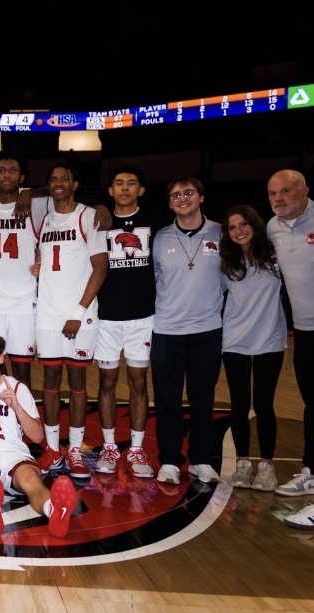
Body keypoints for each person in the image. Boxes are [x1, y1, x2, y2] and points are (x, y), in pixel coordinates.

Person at [0, 332, 79, 538]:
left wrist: (17, 407)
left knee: (31, 480)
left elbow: (36, 437)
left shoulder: (17, 388)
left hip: (14, 453)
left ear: (1, 358)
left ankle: (54, 510)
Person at [34, 162, 108, 481]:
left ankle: (75, 450)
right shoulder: (46, 218)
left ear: (75, 183)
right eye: (53, 179)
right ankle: (52, 449)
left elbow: (100, 268)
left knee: (77, 385)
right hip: (48, 314)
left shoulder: (88, 216)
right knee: (50, 384)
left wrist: (77, 313)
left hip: (80, 315)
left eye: (65, 178)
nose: (58, 183)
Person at [93, 165, 167, 479]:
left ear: (141, 190)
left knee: (139, 382)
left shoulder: (157, 220)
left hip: (142, 316)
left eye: (131, 183)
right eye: (118, 183)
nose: (124, 188)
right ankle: (110, 446)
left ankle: (136, 449)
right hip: (106, 316)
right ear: (110, 191)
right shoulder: (98, 221)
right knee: (107, 383)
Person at [152, 176, 224, 486]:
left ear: (201, 197)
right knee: (167, 400)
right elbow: (155, 281)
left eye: (189, 192)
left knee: (202, 400)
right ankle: (169, 460)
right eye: (176, 195)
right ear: (169, 203)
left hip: (207, 330)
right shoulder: (160, 238)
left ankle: (200, 461)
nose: (183, 198)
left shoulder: (222, 232)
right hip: (167, 331)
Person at [219, 205, 285, 491]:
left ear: (255, 226)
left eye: (243, 224)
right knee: (239, 404)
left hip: (270, 339)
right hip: (234, 340)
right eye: (232, 227)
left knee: (264, 404)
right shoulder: (226, 263)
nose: (239, 231)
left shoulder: (274, 256)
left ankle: (267, 467)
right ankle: (243, 465)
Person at [0, 151, 44, 391]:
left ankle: (22, 421)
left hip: (23, 301)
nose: (7, 175)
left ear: (22, 178)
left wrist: (29, 193)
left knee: (22, 370)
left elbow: (59, 192)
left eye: (13, 171)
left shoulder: (36, 205)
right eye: (2, 170)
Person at [266, 169, 314, 529]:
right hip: (306, 332)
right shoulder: (272, 227)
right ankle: (310, 471)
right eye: (272, 193)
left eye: (286, 191)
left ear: (305, 191)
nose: (279, 198)